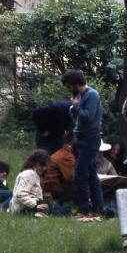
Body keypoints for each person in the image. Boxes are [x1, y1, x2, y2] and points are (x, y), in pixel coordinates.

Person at [62, 69, 104, 220]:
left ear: (75, 84)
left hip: (90, 138)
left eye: (69, 86)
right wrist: (73, 108)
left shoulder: (92, 95)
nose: (68, 89)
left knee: (81, 174)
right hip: (81, 137)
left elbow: (87, 116)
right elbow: (78, 116)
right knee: (91, 175)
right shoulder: (81, 96)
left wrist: (77, 106)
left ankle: (84, 210)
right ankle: (99, 209)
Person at [9, 150, 51, 216]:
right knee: (60, 211)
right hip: (24, 208)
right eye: (41, 165)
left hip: (29, 205)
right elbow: (20, 193)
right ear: (34, 163)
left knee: (60, 209)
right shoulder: (29, 174)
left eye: (45, 166)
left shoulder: (35, 174)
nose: (44, 168)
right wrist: (35, 205)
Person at [42, 136, 77, 204]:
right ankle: (57, 202)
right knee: (78, 183)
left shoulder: (63, 152)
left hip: (47, 185)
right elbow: (70, 178)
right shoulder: (68, 156)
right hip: (52, 187)